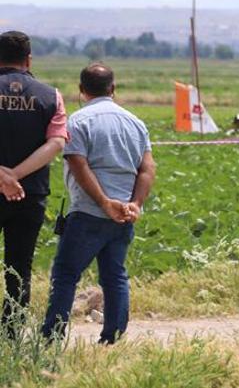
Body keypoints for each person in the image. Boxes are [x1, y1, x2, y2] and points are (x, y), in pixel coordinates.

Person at [42, 63, 156, 344]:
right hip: (124, 215)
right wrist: (136, 204)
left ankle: (51, 338)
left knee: (66, 274)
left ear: (81, 90)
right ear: (113, 89)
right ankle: (113, 336)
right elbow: (147, 168)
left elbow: (79, 166)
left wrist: (105, 202)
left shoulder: (78, 122)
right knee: (114, 274)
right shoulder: (135, 123)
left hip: (89, 212)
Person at [0, 31, 68, 337]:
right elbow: (56, 143)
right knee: (19, 265)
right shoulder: (50, 95)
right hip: (30, 194)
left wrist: (3, 175)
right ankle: (12, 330)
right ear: (29, 59)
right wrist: (16, 175)